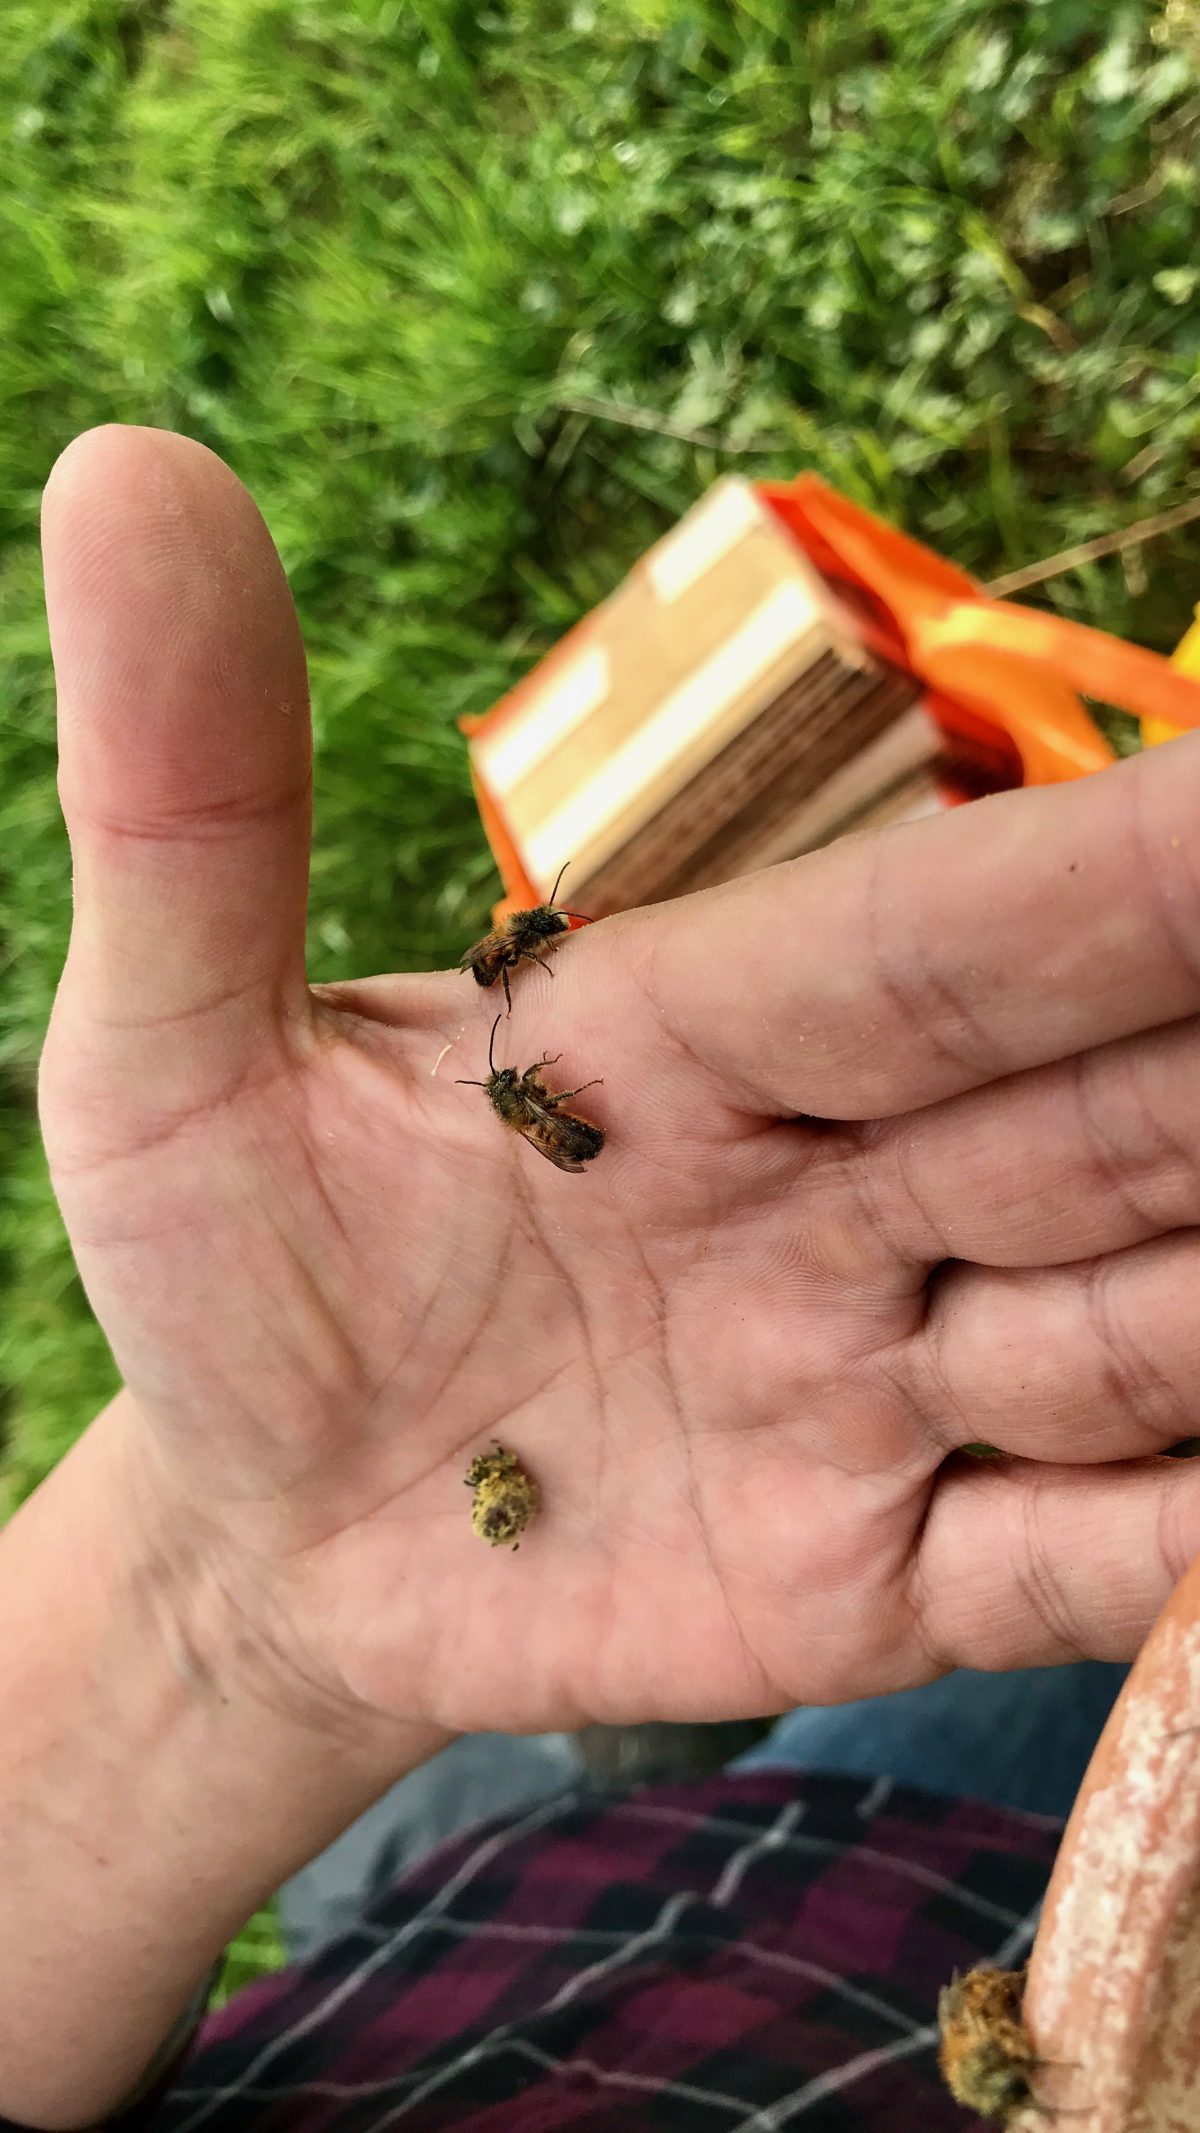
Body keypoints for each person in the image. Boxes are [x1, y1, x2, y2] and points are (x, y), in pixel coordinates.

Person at [2, 425, 1198, 2133]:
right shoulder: (532, 1091)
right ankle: (622, 1763)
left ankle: (621, 1770)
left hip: (603, 1918)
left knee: (733, 1754)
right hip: (870, 1915)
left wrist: (211, 1623)